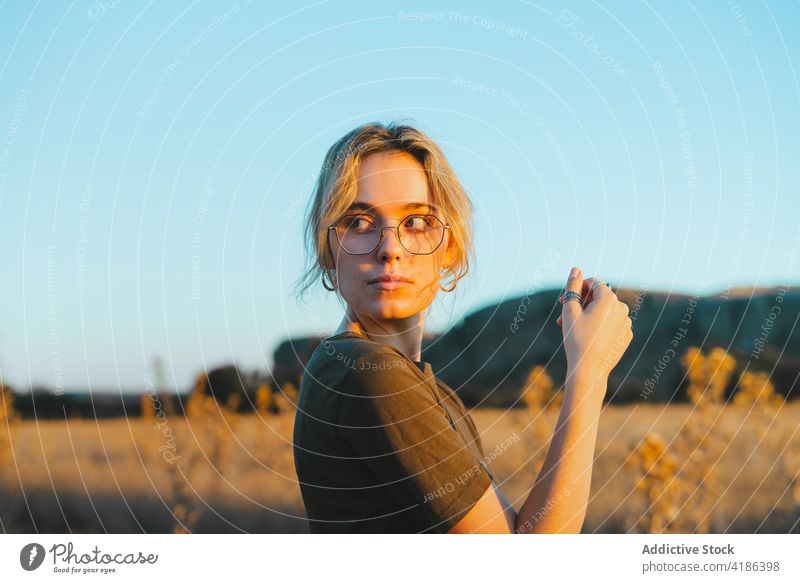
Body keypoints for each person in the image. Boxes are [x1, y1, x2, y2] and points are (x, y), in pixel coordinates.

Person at [291, 120, 633, 533]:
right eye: (359, 222)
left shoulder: (419, 387)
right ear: (328, 245)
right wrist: (589, 372)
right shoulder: (366, 375)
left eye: (416, 222)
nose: (390, 249)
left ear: (449, 247)